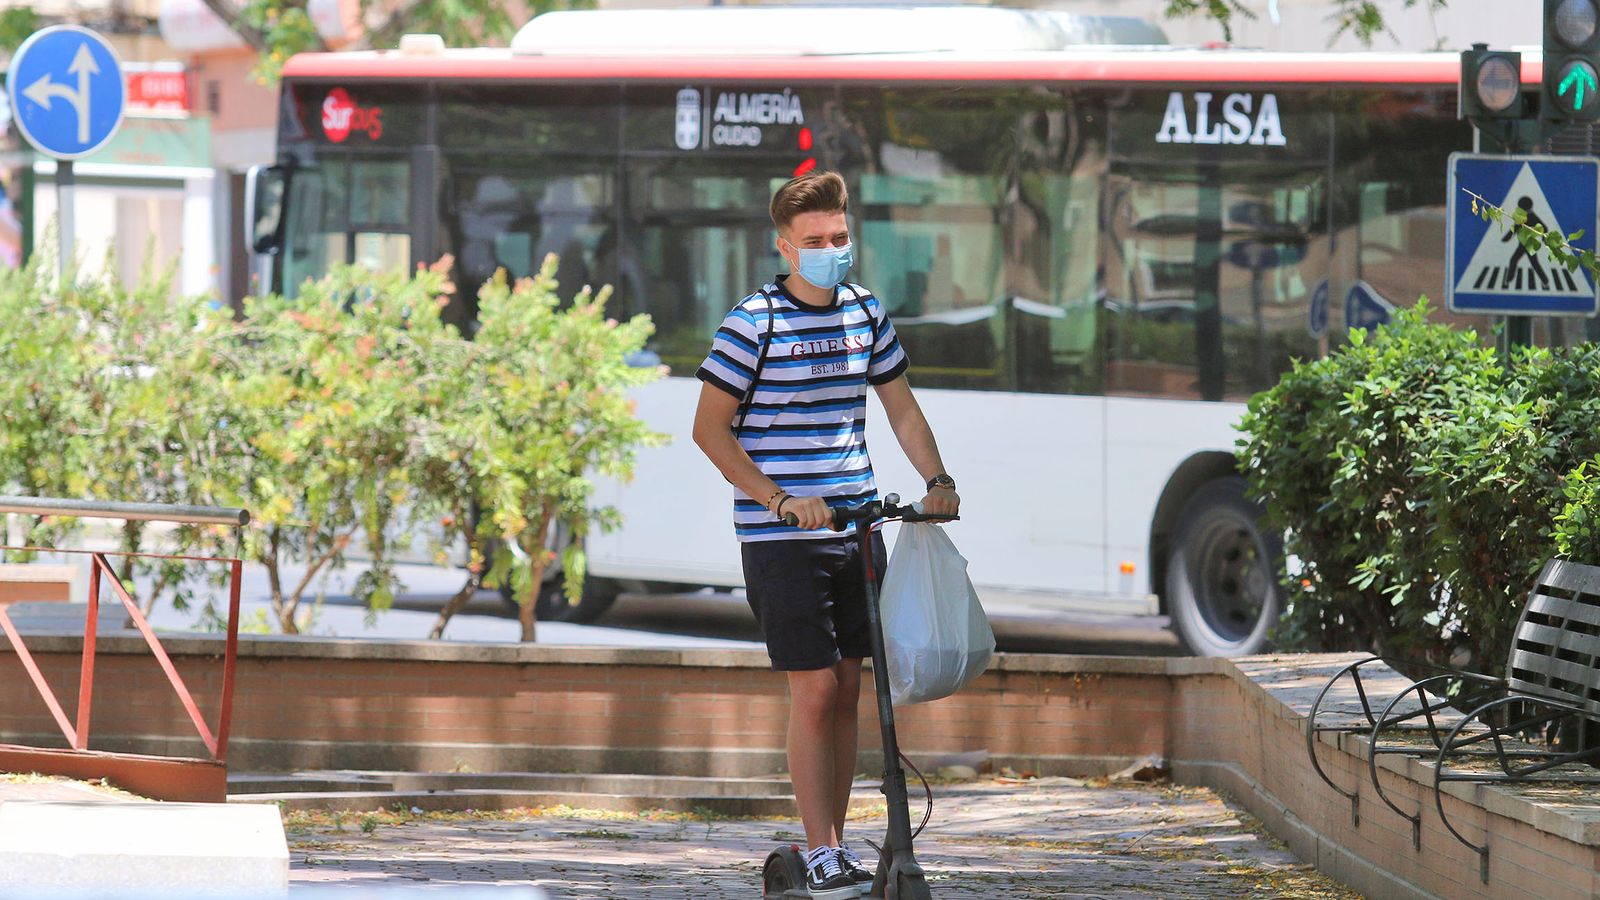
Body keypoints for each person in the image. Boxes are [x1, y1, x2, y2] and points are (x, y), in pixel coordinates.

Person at [691, 171, 959, 897]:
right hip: (783, 540)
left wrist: (938, 482)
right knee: (812, 689)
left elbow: (901, 410)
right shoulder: (754, 323)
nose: (832, 250)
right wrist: (780, 500)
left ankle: (832, 843)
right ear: (785, 246)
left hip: (856, 526)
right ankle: (818, 849)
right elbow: (709, 431)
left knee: (846, 687)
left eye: (840, 238)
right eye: (816, 241)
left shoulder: (865, 312)